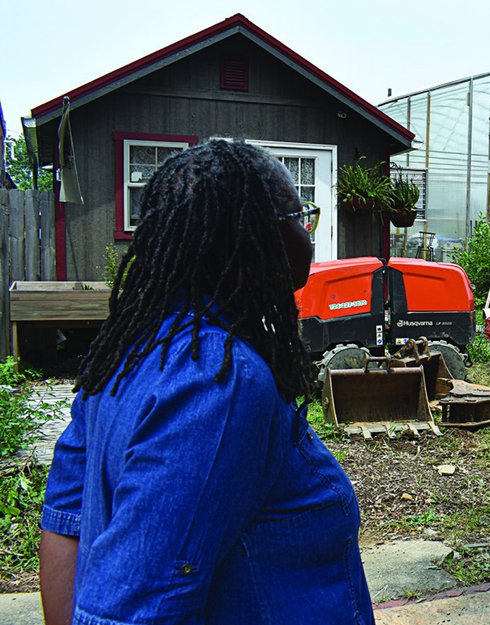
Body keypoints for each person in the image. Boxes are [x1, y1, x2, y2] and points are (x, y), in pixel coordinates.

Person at [38, 140, 374, 624]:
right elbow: (135, 612)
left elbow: (65, 525)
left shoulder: (127, 353)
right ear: (253, 238)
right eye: (300, 219)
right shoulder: (222, 381)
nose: (308, 236)